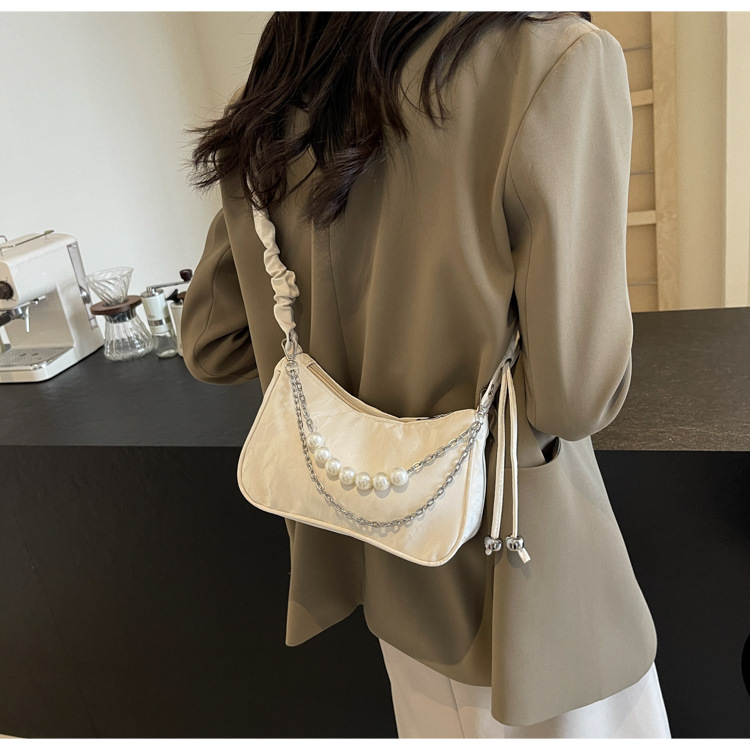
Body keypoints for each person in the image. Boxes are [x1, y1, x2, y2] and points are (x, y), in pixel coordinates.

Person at [180, 11, 672, 739]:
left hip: (380, 564)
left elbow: (212, 343)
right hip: (519, 578)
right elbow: (576, 397)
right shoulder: (554, 57)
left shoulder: (284, 80)